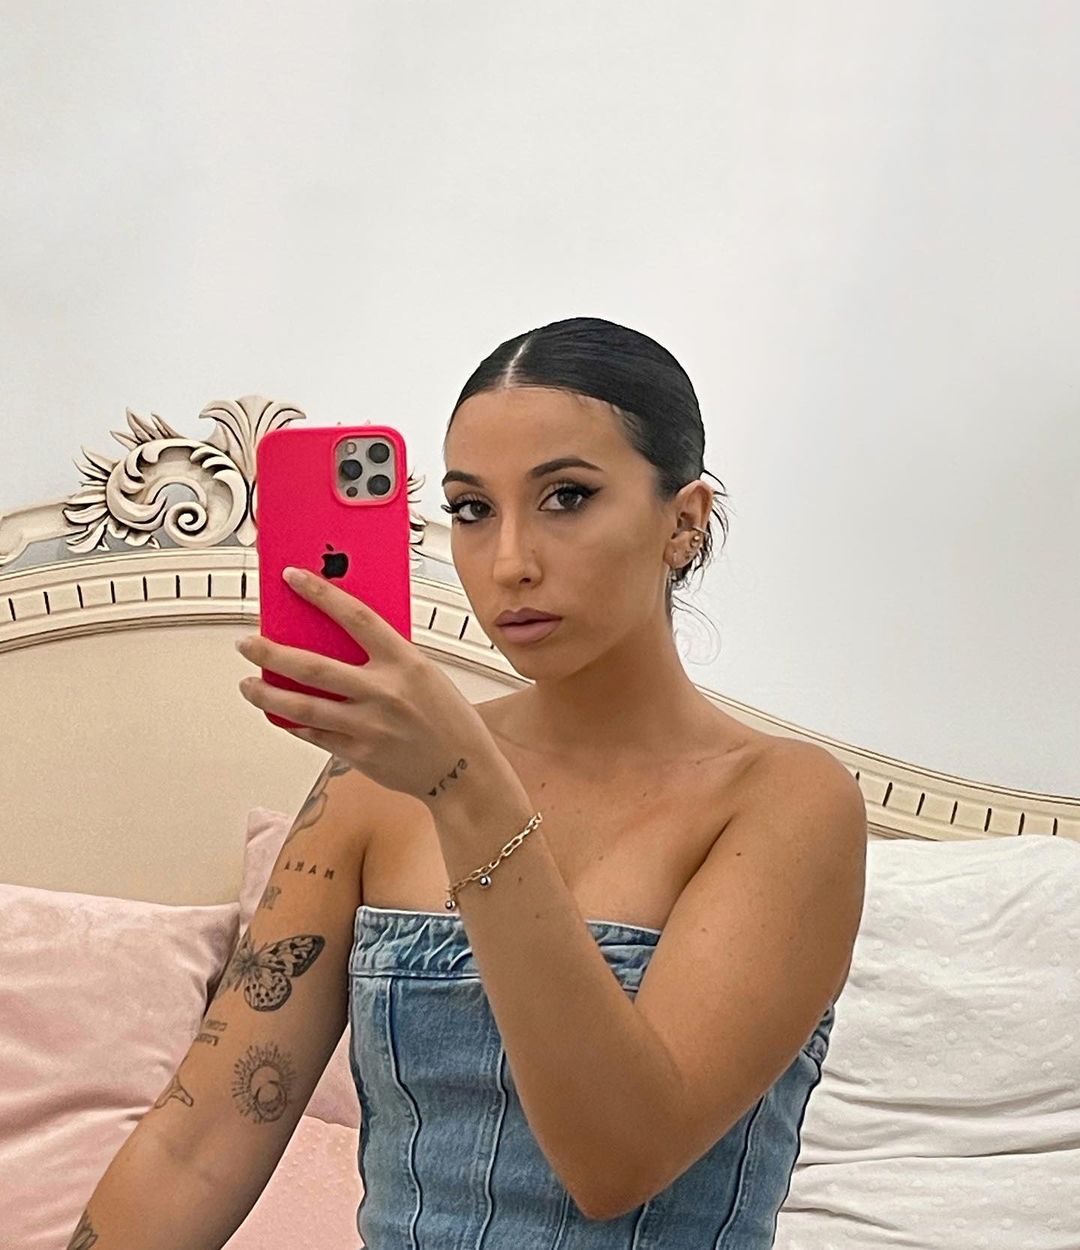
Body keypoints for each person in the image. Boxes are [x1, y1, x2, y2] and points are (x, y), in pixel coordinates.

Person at [75, 316, 858, 1248]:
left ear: (684, 522)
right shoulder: (370, 785)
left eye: (567, 497)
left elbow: (618, 1161)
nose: (510, 562)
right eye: (473, 509)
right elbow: (196, 1145)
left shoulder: (787, 801)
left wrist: (464, 789)